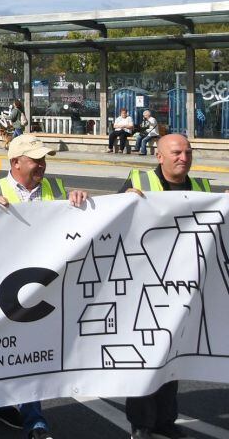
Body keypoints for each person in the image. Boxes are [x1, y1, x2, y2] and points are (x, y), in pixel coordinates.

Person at [0, 135, 90, 439]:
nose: (42, 164)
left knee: (30, 351)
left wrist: (79, 201)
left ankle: (34, 421)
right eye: (35, 159)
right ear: (15, 163)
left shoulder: (54, 188)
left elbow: (71, 225)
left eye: (43, 159)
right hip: (1, 286)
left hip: (41, 285)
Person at [118, 134, 204, 439]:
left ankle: (165, 420)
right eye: (177, 152)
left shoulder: (202, 189)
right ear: (159, 157)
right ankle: (141, 424)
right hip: (145, 289)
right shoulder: (139, 181)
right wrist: (124, 199)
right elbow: (112, 224)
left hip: (183, 289)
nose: (184, 157)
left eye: (188, 152)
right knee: (145, 357)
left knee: (173, 358)